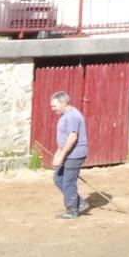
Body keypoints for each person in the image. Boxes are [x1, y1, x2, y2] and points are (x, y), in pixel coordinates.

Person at [49, 91, 91, 220]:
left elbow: (72, 137)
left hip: (75, 154)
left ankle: (72, 210)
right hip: (67, 153)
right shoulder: (64, 115)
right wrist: (58, 154)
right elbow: (64, 137)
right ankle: (80, 203)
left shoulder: (72, 116)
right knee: (58, 178)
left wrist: (61, 156)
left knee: (68, 182)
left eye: (54, 106)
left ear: (64, 103)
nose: (52, 109)